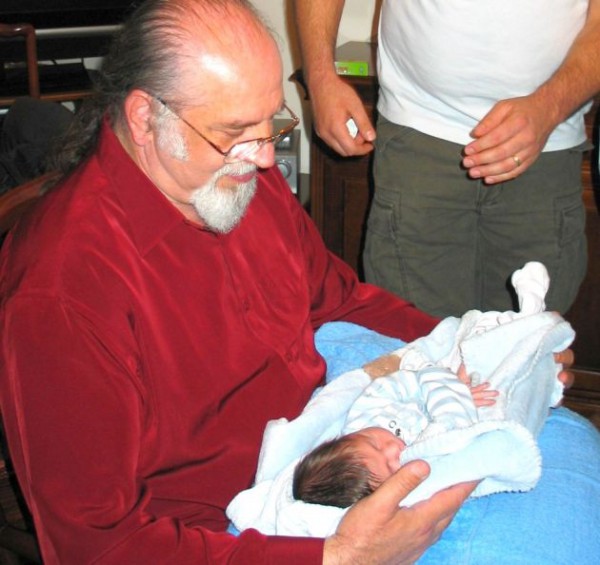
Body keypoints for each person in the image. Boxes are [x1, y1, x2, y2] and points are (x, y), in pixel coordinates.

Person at [0, 0, 580, 563]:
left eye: (269, 124)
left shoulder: (235, 179)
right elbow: (94, 546)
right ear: (144, 118)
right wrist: (337, 557)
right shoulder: (62, 293)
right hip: (227, 536)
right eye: (234, 132)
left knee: (566, 454)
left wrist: (484, 349)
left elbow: (342, 300)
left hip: (330, 451)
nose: (261, 160)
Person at [293, 0, 600, 317]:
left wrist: (549, 107)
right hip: (418, 134)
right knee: (413, 343)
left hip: (545, 145)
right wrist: (320, 78)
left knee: (527, 347)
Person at [293, 367, 497, 509]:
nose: (392, 449)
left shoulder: (366, 414)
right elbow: (449, 446)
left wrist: (449, 390)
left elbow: (403, 382)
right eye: (391, 466)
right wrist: (458, 406)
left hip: (431, 382)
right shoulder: (414, 467)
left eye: (374, 443)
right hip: (459, 409)